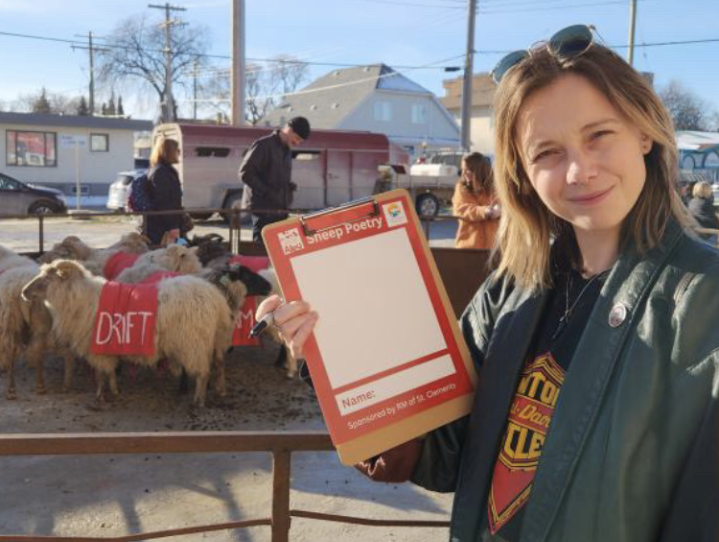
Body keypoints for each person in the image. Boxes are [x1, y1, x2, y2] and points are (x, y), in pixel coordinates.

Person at [256, 24, 719, 542]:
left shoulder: (703, 300)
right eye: (547, 152)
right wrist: (336, 353)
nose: (578, 170)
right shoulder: (513, 289)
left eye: (599, 136)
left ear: (643, 132)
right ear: (521, 173)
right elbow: (443, 453)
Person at [239, 116, 311, 243]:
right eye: (297, 138)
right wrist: (267, 191)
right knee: (261, 253)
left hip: (280, 210)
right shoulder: (263, 145)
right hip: (263, 210)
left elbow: (274, 176)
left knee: (277, 254)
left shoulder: (287, 150)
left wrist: (288, 186)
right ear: (289, 130)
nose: (298, 143)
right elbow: (245, 173)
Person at [452, 152, 501, 249]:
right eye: (463, 170)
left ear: (479, 170)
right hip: (468, 247)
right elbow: (461, 209)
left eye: (468, 170)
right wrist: (485, 211)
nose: (464, 173)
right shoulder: (461, 187)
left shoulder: (495, 188)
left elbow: (507, 206)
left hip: (493, 248)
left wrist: (501, 209)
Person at [145, 137, 183, 246]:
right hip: (163, 230)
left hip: (168, 226)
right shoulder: (161, 173)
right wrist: (173, 227)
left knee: (181, 251)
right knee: (175, 255)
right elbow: (164, 203)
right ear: (168, 152)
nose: (179, 153)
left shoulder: (164, 170)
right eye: (177, 150)